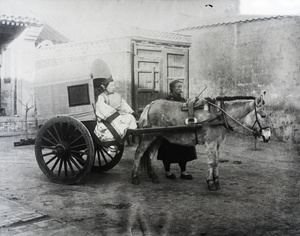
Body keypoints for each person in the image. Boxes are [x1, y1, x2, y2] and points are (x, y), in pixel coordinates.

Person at [157, 80, 197, 180]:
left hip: (180, 130)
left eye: (181, 87)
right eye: (178, 87)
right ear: (172, 88)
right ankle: (168, 172)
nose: (180, 89)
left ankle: (183, 172)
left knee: (183, 149)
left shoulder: (183, 100)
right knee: (167, 149)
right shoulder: (166, 100)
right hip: (169, 130)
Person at [94, 76, 137, 144]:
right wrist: (114, 113)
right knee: (118, 124)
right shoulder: (102, 96)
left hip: (118, 116)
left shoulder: (117, 96)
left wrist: (131, 112)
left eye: (114, 85)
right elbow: (101, 107)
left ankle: (127, 136)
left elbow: (123, 105)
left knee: (130, 117)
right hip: (107, 119)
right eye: (111, 86)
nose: (113, 87)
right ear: (106, 87)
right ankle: (114, 143)